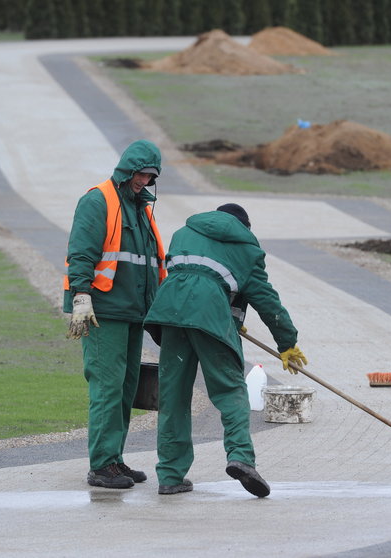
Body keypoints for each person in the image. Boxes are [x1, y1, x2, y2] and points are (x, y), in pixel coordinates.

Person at [144, 203, 307, 498]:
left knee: (173, 396)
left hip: (170, 312)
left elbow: (196, 276)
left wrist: (229, 318)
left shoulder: (184, 233)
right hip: (208, 315)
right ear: (244, 227)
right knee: (230, 390)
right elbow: (264, 299)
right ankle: (241, 457)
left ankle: (169, 475)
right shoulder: (247, 248)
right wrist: (287, 342)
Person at [64, 140, 167, 489]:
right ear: (127, 170)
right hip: (102, 312)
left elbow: (150, 264)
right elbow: (81, 252)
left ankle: (114, 458)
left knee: (126, 388)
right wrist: (81, 295)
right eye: (140, 174)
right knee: (107, 387)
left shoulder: (140, 208)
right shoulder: (98, 201)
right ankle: (101, 465)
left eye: (150, 177)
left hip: (132, 313)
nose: (144, 181)